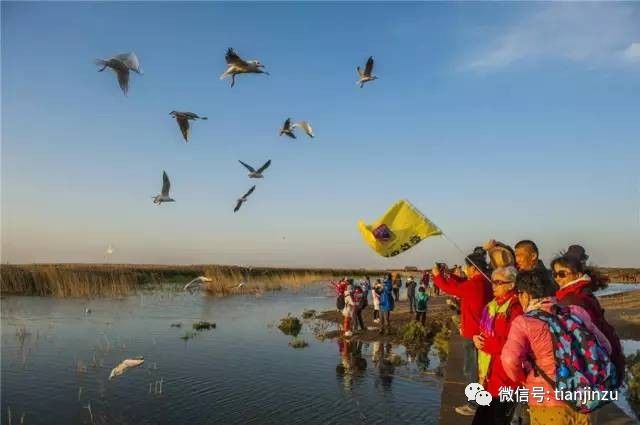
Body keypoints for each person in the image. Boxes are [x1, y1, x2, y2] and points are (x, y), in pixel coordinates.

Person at [501, 269, 613, 425]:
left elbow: (509, 359)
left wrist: (523, 378)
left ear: (525, 295)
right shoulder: (576, 312)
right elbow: (606, 347)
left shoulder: (524, 322)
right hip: (586, 401)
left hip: (548, 403)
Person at [432, 247, 492, 417]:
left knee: (471, 369)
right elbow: (461, 283)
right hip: (480, 331)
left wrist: (438, 275)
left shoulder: (475, 284)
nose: (465, 270)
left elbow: (450, 288)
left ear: (473, 268)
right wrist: (448, 273)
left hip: (473, 334)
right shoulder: (484, 281)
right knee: (478, 369)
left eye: (467, 267)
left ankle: (474, 404)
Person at [551, 246, 625, 384]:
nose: (557, 278)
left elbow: (586, 336)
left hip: (588, 365)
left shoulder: (575, 299)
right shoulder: (578, 293)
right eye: (554, 274)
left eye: (562, 274)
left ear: (578, 274)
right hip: (604, 358)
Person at [471, 266, 523, 425]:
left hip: (507, 377)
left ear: (512, 284)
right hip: (490, 373)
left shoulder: (516, 308)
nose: (493, 286)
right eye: (493, 282)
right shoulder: (493, 305)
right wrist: (476, 338)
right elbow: (484, 330)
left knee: (498, 419)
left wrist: (485, 343)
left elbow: (514, 342)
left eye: (498, 282)